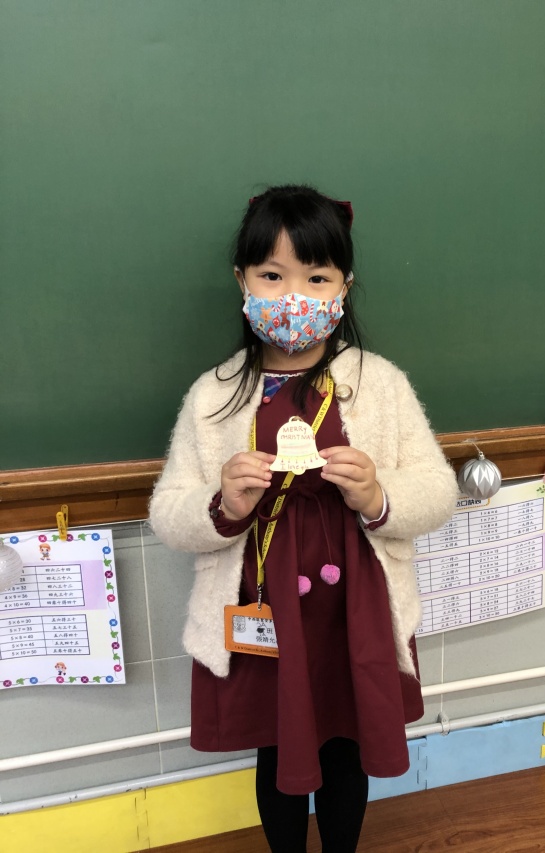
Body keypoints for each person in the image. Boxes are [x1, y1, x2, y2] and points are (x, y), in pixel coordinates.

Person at [149, 185, 458, 852]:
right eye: (273, 275)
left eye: (316, 277)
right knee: (279, 746)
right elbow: (168, 513)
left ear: (344, 286)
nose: (294, 295)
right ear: (243, 281)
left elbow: (438, 489)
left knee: (345, 745)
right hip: (263, 601)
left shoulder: (380, 384)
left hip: (355, 603)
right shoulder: (213, 394)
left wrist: (378, 494)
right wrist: (222, 506)